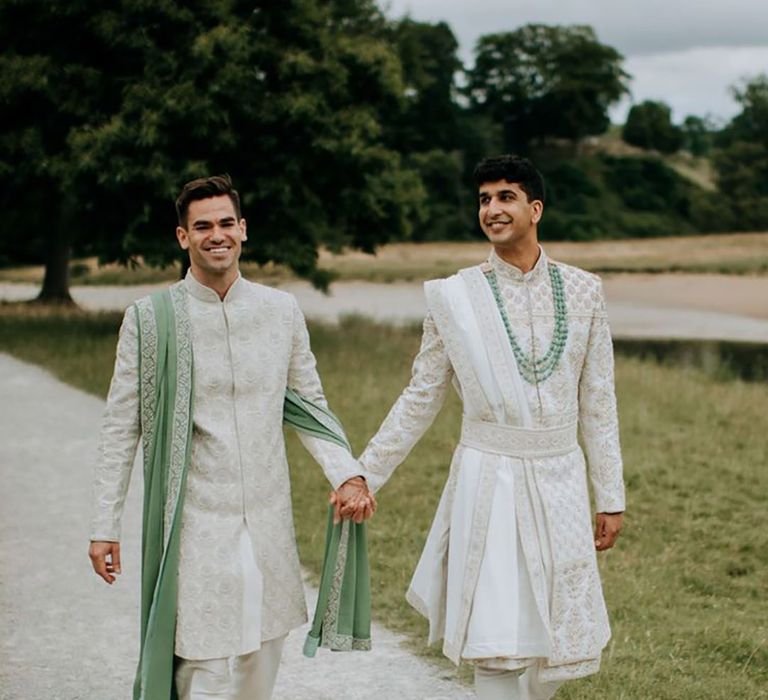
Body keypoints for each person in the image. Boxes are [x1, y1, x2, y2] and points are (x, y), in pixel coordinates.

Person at [88, 174, 374, 700]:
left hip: (266, 511)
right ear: (182, 237)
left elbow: (311, 409)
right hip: (194, 515)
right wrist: (105, 526)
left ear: (243, 230)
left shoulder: (279, 311)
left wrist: (348, 474)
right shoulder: (150, 321)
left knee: (263, 651)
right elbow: (119, 426)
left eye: (225, 223)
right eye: (202, 226)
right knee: (198, 660)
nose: (215, 235)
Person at [357, 155, 625, 700]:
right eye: (484, 199)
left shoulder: (584, 291)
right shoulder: (454, 298)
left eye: (505, 196)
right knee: (496, 639)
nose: (492, 209)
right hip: (489, 478)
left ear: (535, 208)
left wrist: (611, 495)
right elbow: (422, 395)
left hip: (562, 481)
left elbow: (598, 400)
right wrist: (363, 474)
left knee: (551, 646)